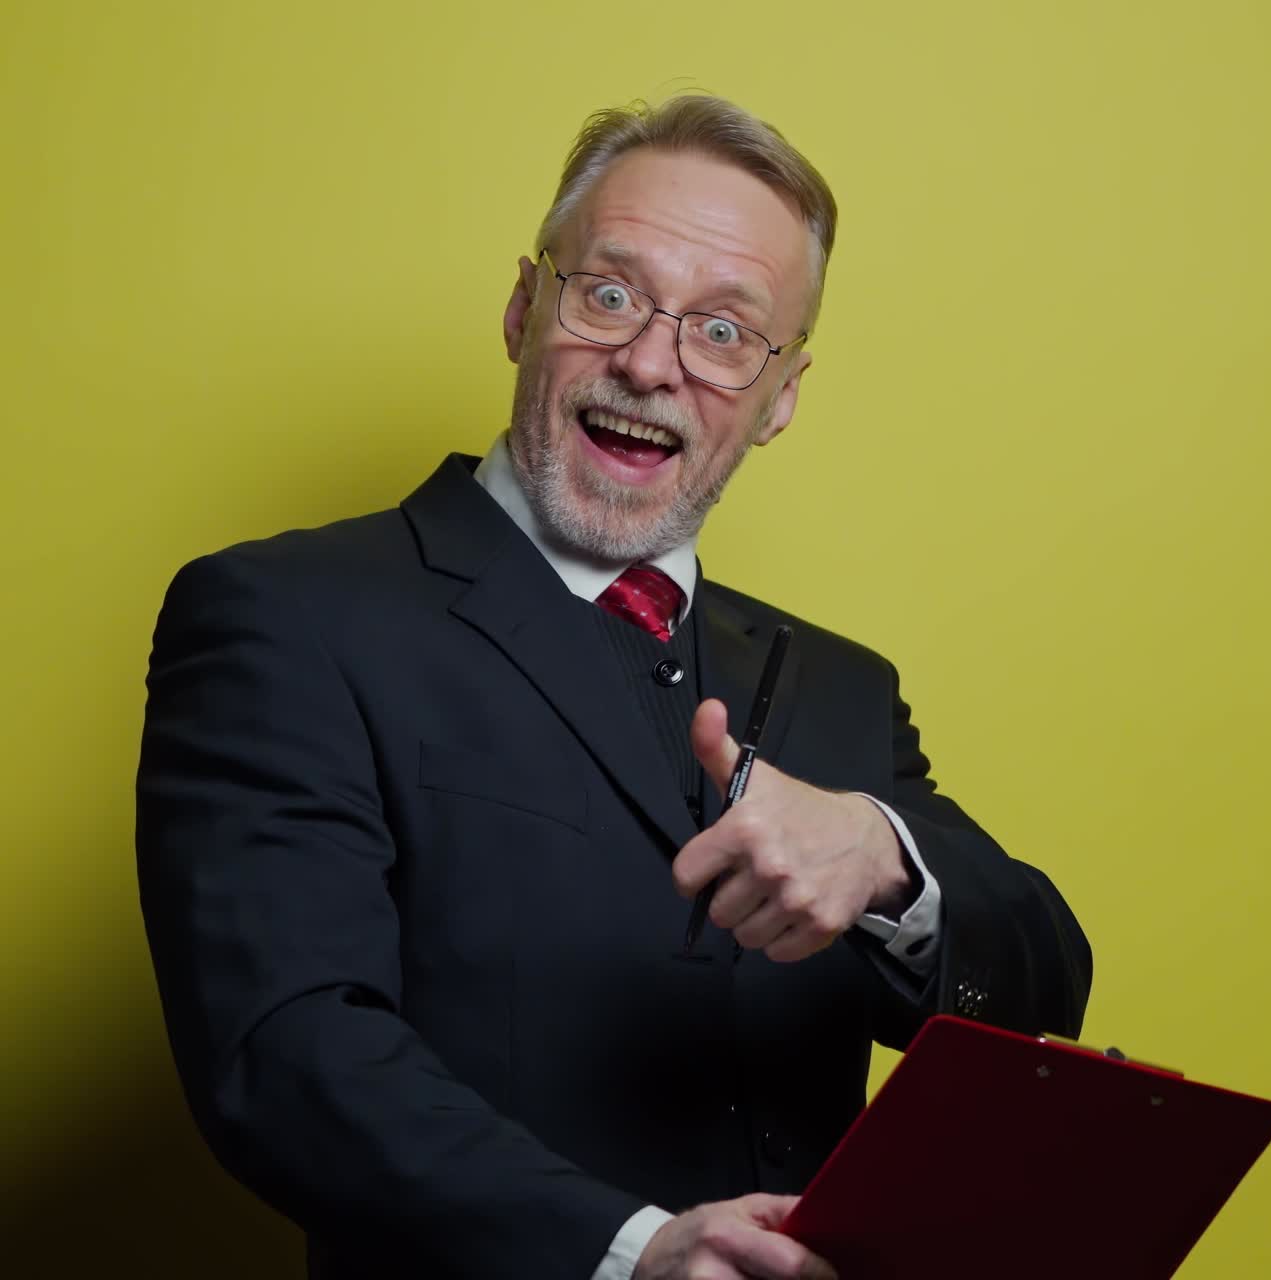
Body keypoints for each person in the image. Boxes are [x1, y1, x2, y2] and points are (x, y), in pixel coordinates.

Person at [136, 94, 1091, 1280]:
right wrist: (628, 1251)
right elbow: (281, 1049)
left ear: (781, 396)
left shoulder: (839, 684)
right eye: (607, 295)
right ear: (521, 308)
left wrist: (883, 856)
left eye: (724, 331)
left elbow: (1040, 992)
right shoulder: (287, 615)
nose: (648, 364)